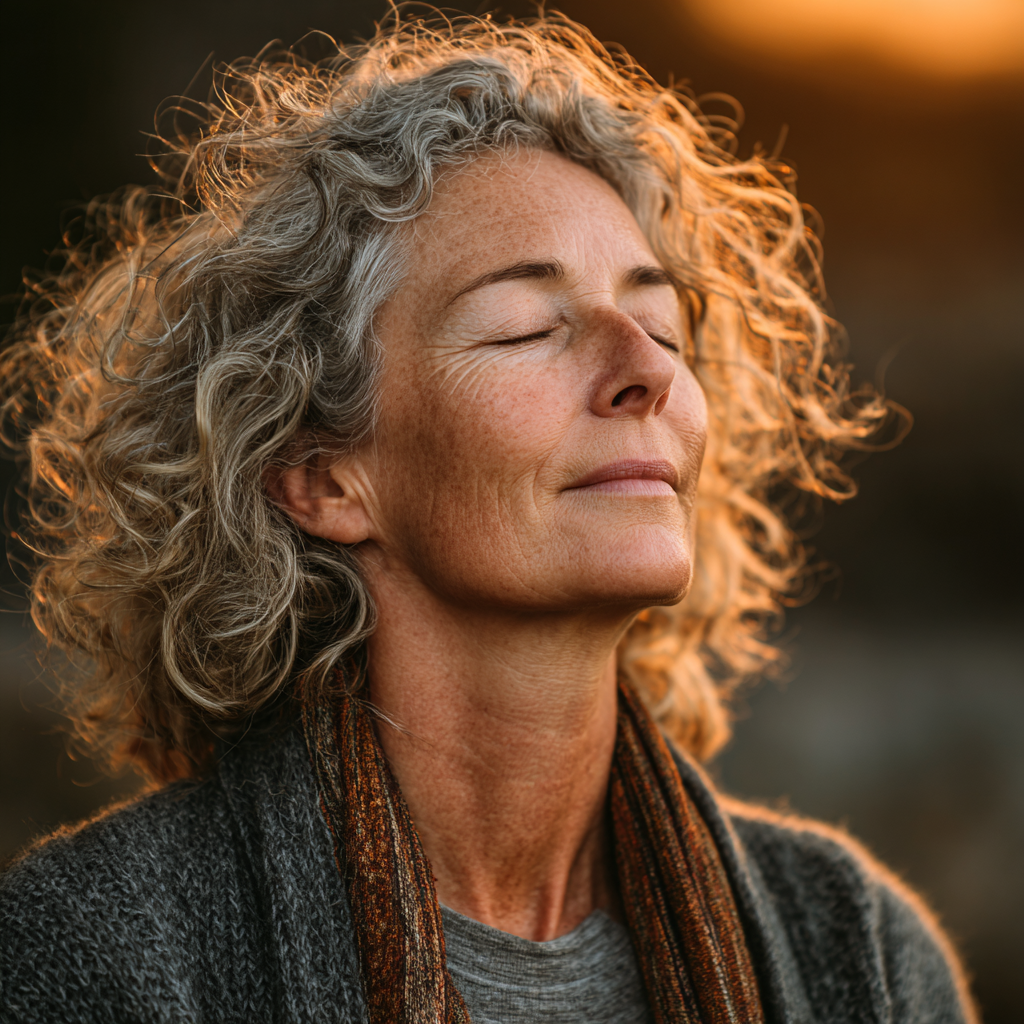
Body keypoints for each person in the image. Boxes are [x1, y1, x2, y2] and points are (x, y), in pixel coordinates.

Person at [0, 13, 975, 1024]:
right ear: (319, 474)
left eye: (659, 325)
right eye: (525, 328)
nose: (644, 369)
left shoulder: (862, 954)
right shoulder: (106, 950)